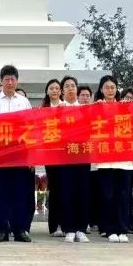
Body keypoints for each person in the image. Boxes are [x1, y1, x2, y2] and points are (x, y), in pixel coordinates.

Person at [0, 65, 33, 242]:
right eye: (7, 79)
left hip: (20, 152)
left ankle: (19, 229)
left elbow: (30, 128)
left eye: (13, 79)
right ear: (1, 81)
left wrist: (30, 156)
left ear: (17, 81)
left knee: (19, 192)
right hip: (0, 153)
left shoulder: (24, 102)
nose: (10, 82)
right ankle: (2, 230)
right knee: (1, 193)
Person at [91, 75, 132, 242]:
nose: (110, 90)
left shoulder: (125, 107)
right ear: (101, 90)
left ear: (117, 89)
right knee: (107, 195)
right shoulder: (95, 108)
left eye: (112, 87)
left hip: (124, 159)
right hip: (105, 159)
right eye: (106, 87)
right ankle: (109, 230)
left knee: (123, 195)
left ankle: (122, 229)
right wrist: (96, 108)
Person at [57, 76, 90, 243]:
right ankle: (69, 228)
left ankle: (81, 229)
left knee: (82, 192)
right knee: (67, 192)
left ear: (77, 89)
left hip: (83, 155)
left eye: (73, 86)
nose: (70, 88)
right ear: (62, 90)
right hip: (64, 156)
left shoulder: (86, 109)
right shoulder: (57, 110)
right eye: (67, 86)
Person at [40, 79, 65, 237]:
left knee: (65, 189)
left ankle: (65, 223)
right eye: (51, 88)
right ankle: (54, 225)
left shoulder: (66, 107)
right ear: (47, 91)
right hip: (50, 155)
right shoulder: (42, 109)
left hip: (65, 154)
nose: (54, 90)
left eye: (57, 88)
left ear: (61, 91)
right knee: (55, 189)